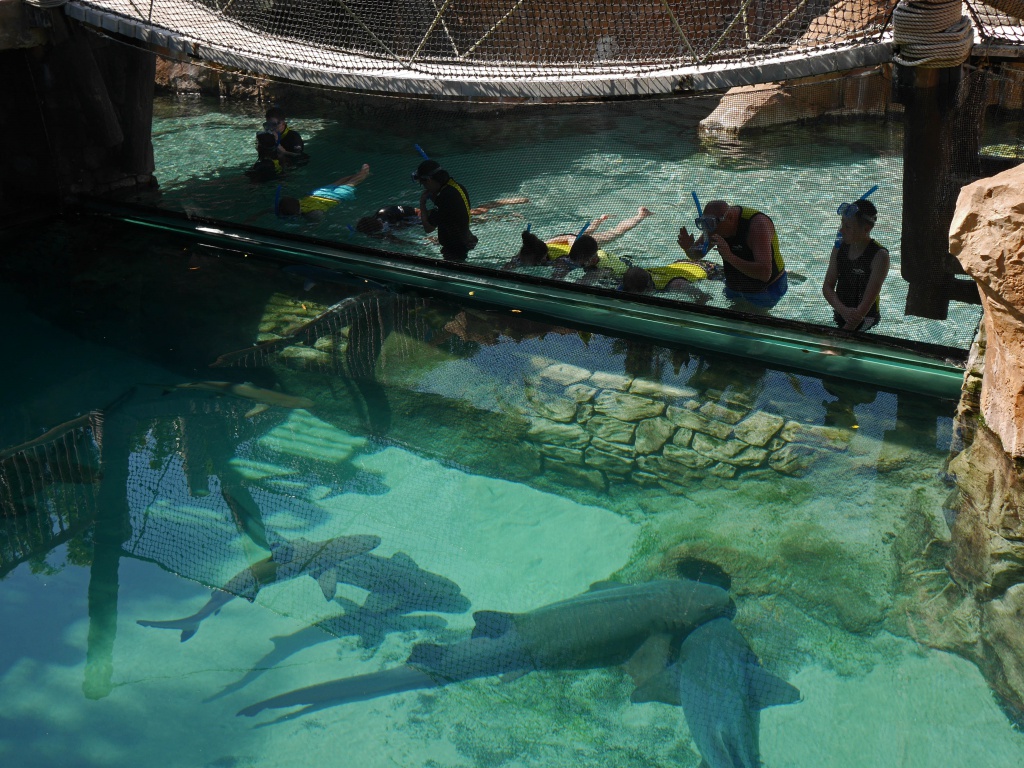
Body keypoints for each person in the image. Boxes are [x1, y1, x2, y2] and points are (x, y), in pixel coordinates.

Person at [677, 200, 788, 309]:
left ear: (729, 218)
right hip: (734, 288)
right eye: (705, 225)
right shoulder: (716, 225)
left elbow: (764, 274)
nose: (710, 232)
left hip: (766, 290)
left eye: (712, 225)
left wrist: (729, 256)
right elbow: (698, 254)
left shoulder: (758, 225)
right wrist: (688, 248)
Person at [501, 208, 652, 273]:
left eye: (543, 259)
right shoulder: (523, 256)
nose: (543, 261)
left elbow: (569, 237)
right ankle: (600, 219)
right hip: (572, 241)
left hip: (573, 242)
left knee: (616, 232)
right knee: (584, 232)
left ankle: (641, 215)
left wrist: (575, 243)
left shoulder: (545, 247)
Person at [822, 198, 890, 331]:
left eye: (848, 226)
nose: (841, 231)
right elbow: (827, 287)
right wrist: (843, 311)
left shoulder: (879, 256)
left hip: (866, 320)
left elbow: (866, 304)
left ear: (866, 228)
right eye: (842, 224)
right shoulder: (840, 246)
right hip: (841, 313)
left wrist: (844, 332)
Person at [355, 197, 529, 238]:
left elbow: (416, 211)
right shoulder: (378, 232)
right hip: (419, 225)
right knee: (470, 222)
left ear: (375, 223)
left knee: (472, 213)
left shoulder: (386, 213)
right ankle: (505, 218)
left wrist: (427, 222)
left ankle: (503, 203)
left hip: (424, 217)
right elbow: (394, 240)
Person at [413, 160, 477, 262]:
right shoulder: (457, 187)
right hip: (467, 238)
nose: (424, 187)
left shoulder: (444, 197)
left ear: (429, 180)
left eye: (423, 183)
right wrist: (435, 197)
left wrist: (422, 203)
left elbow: (428, 228)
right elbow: (450, 212)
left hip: (454, 248)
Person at [273, 163, 370, 219]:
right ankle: (359, 173)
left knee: (353, 182)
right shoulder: (290, 205)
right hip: (317, 194)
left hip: (334, 198)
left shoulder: (312, 213)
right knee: (340, 181)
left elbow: (318, 220)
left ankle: (364, 172)